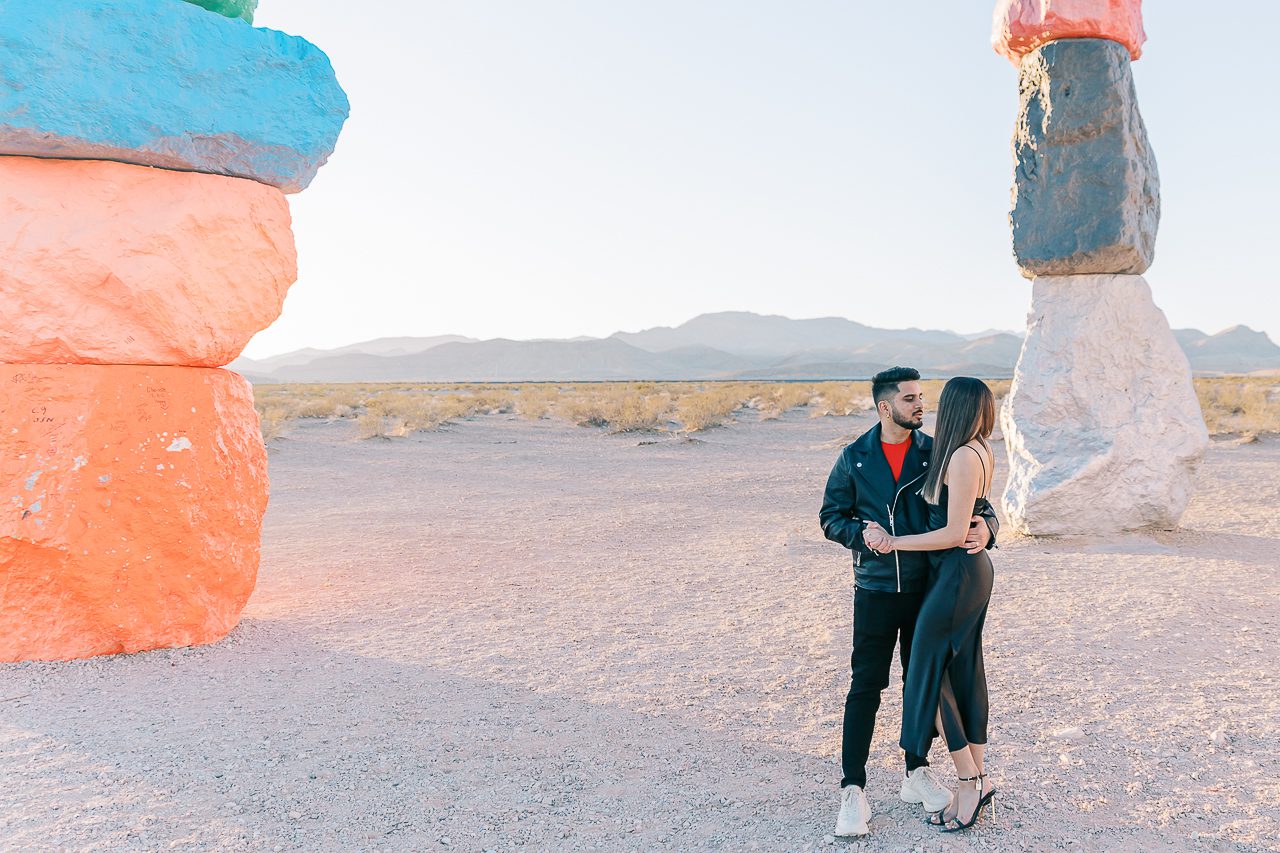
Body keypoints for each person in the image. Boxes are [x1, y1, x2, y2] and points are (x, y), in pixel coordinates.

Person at [819, 367, 998, 838]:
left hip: (926, 586)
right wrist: (864, 536)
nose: (921, 406)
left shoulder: (936, 451)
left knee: (923, 679)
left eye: (922, 396)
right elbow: (830, 517)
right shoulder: (853, 458)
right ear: (885, 407)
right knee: (867, 685)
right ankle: (853, 789)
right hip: (875, 589)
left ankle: (915, 773)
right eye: (911, 399)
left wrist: (988, 529)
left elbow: (978, 505)